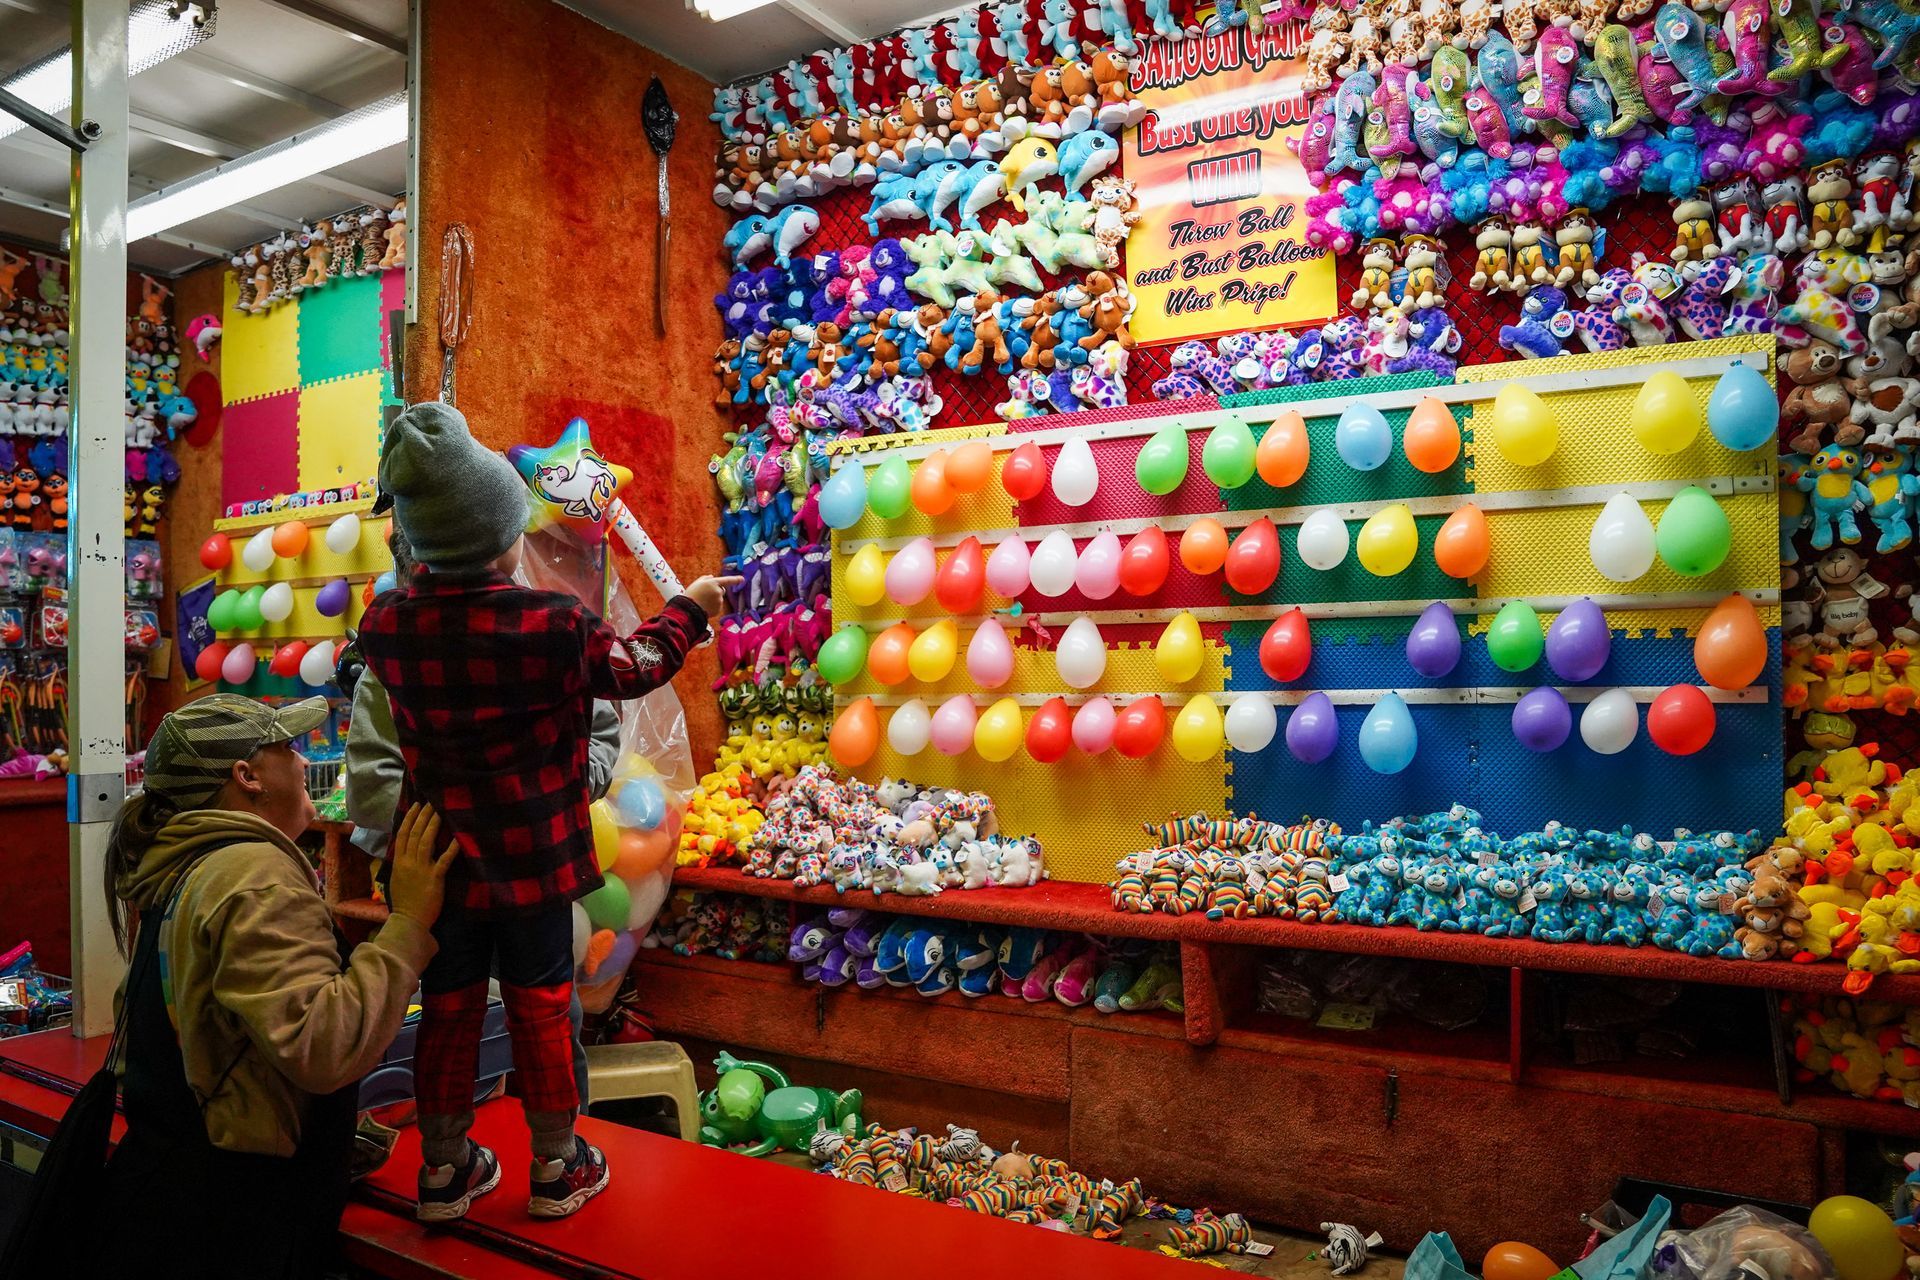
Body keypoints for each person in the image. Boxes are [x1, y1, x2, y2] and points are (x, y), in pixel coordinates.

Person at [356, 401, 736, 1221]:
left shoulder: (386, 626)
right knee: (542, 1005)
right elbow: (638, 668)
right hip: (534, 860)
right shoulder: (554, 625)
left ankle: (445, 1168)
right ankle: (559, 1163)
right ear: (503, 532)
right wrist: (692, 607)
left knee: (450, 1011)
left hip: (441, 867)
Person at [94, 693, 456, 1279]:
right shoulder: (252, 874)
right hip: (235, 1219)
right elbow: (324, 1046)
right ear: (248, 777)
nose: (302, 758)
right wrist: (408, 924)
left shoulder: (182, 863)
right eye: (287, 747)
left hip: (171, 1193)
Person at [345, 521, 619, 1115]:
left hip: (526, 873)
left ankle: (559, 1149)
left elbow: (600, 735)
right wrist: (454, 820)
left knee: (552, 1018)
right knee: (453, 1022)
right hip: (443, 887)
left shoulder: (539, 639)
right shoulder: (391, 659)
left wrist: (551, 789)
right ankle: (457, 1157)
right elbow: (370, 791)